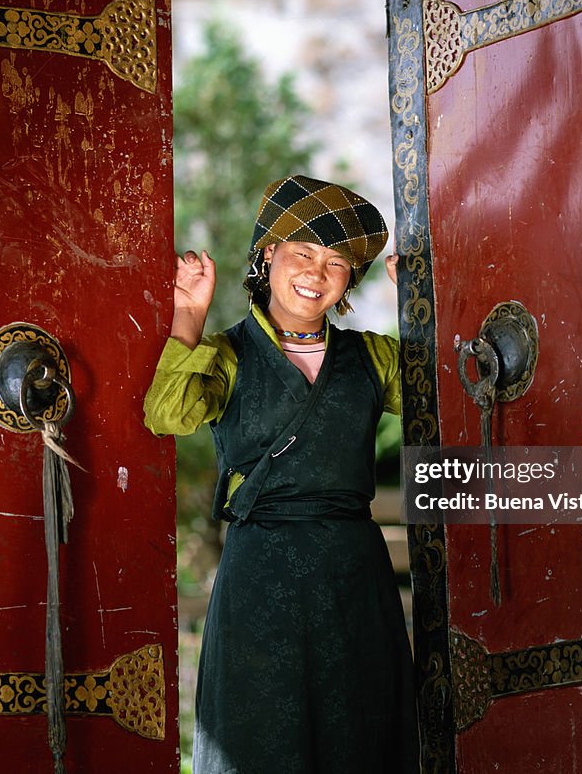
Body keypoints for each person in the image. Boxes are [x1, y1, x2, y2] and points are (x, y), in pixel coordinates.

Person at [143, 175, 418, 773]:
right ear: (268, 254)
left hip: (352, 572)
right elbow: (168, 414)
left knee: (359, 734)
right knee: (260, 736)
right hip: (258, 575)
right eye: (303, 251)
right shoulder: (226, 353)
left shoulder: (373, 357)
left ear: (350, 280)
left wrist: (415, 309)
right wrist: (188, 314)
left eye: (336, 261)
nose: (317, 272)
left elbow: (443, 392)